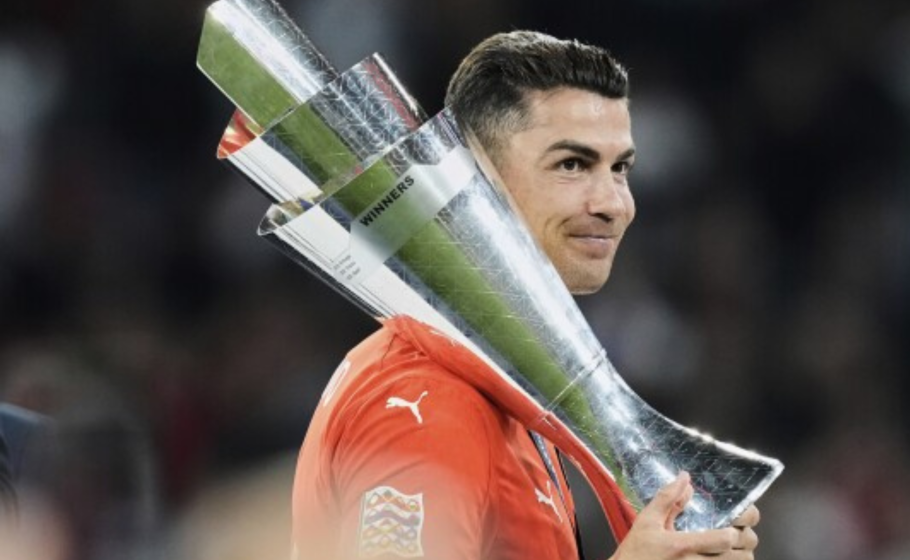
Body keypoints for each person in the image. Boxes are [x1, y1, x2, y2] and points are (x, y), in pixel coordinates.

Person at [291, 30, 761, 560]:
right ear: (475, 178)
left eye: (620, 168)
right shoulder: (427, 399)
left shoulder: (507, 386)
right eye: (572, 165)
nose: (614, 203)